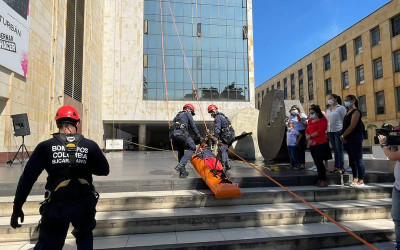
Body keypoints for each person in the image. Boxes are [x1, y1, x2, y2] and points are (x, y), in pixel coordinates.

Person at [10, 105, 110, 250]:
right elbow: (104, 170)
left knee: (50, 244)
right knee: (84, 236)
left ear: (57, 123)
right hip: (83, 206)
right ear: (77, 123)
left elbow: (27, 179)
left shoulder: (46, 146)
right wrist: (84, 163)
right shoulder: (90, 146)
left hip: (57, 206)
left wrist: (17, 207)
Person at [378, 133, 400, 250]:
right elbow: (395, 154)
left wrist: (384, 145)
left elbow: (391, 156)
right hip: (398, 187)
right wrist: (394, 144)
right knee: (397, 217)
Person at [169, 103, 202, 178]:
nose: (191, 114)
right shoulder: (187, 113)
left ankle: (183, 172)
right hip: (181, 134)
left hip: (173, 136)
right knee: (192, 147)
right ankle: (181, 165)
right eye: (191, 112)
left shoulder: (177, 116)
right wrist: (199, 136)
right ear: (188, 109)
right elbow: (193, 126)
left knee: (181, 151)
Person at [340, 95, 366, 187]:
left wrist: (343, 135)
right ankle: (355, 178)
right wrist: (344, 137)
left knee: (358, 158)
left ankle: (361, 180)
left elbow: (352, 126)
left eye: (347, 101)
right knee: (352, 159)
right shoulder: (348, 111)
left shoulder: (356, 112)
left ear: (353, 101)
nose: (345, 102)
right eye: (345, 100)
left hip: (355, 136)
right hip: (348, 138)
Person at [305, 105, 331, 187]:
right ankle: (319, 179)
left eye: (312, 113)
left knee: (320, 162)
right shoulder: (310, 121)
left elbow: (320, 131)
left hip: (320, 143)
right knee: (316, 162)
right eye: (310, 113)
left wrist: (310, 136)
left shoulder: (323, 120)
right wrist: (308, 138)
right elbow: (307, 131)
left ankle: (323, 180)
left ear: (317, 112)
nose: (311, 114)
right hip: (312, 144)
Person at [208, 104, 235, 171]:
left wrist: (215, 138)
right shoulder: (223, 116)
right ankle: (227, 164)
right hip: (231, 135)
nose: (212, 113)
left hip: (226, 135)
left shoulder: (217, 117)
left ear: (216, 110)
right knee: (225, 149)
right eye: (210, 112)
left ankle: (224, 165)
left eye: (212, 111)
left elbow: (217, 129)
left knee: (222, 148)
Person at [326, 94, 347, 174]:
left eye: (331, 98)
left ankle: (341, 167)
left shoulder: (341, 108)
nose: (329, 100)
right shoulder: (328, 109)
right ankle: (336, 166)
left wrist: (344, 132)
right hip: (330, 131)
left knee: (339, 149)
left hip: (338, 130)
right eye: (328, 98)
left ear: (335, 99)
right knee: (335, 149)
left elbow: (344, 119)